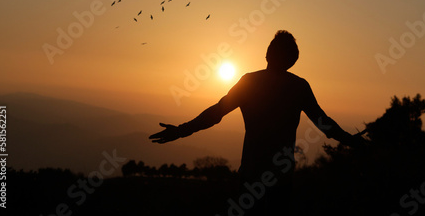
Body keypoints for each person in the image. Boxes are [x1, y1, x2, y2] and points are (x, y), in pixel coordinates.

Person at [149, 30, 365, 215]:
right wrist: (352, 141)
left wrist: (180, 131)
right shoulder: (298, 87)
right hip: (281, 176)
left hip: (251, 175)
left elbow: (216, 113)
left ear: (268, 54)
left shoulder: (250, 82)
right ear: (292, 60)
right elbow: (323, 123)